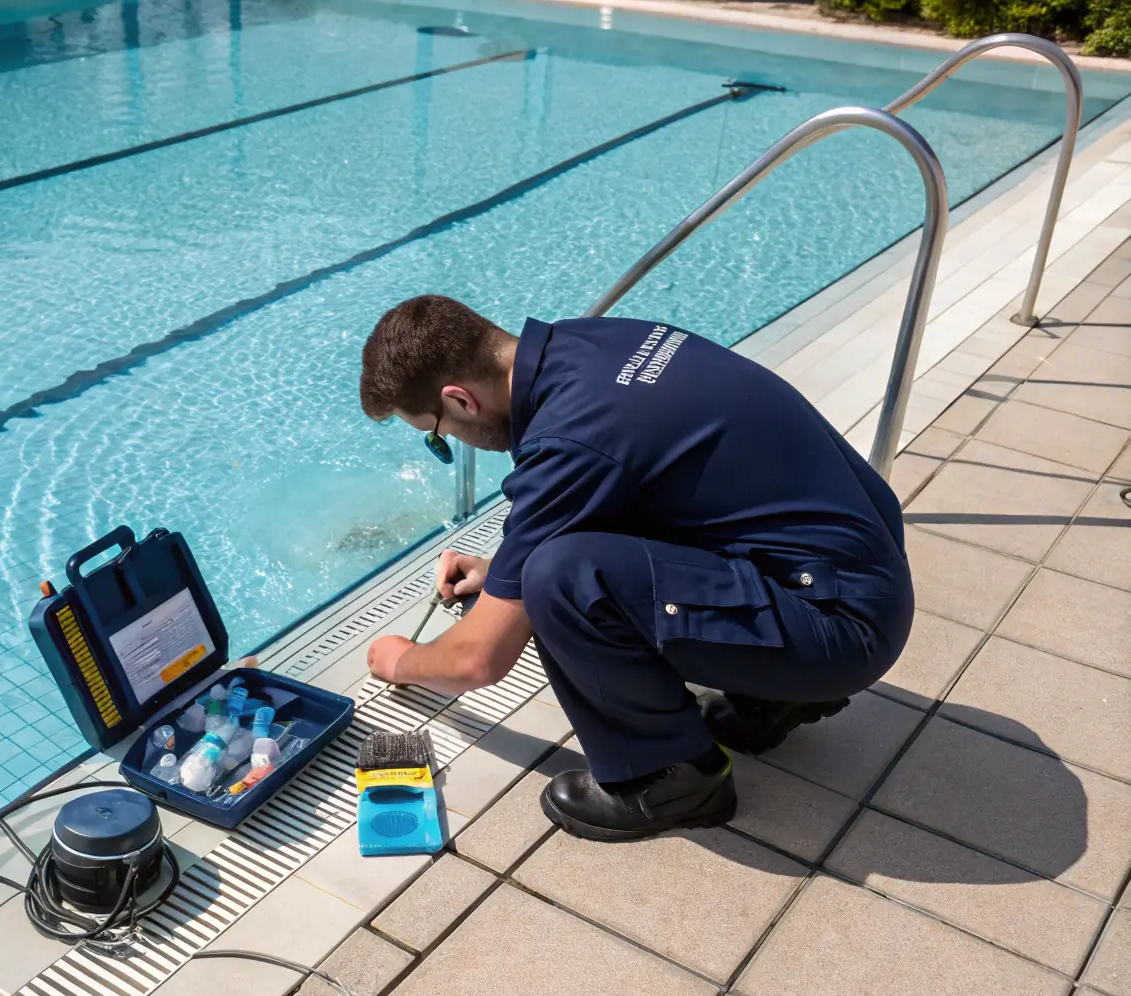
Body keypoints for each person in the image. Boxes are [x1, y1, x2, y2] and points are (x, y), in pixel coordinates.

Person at [360, 295, 913, 842]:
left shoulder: (570, 439)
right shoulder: (598, 342)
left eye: (437, 435)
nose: (449, 441)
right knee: (553, 553)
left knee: (557, 576)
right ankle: (775, 694)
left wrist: (403, 661)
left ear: (460, 400)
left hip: (840, 628)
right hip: (859, 573)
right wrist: (498, 568)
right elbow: (634, 481)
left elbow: (478, 660)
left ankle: (668, 779)